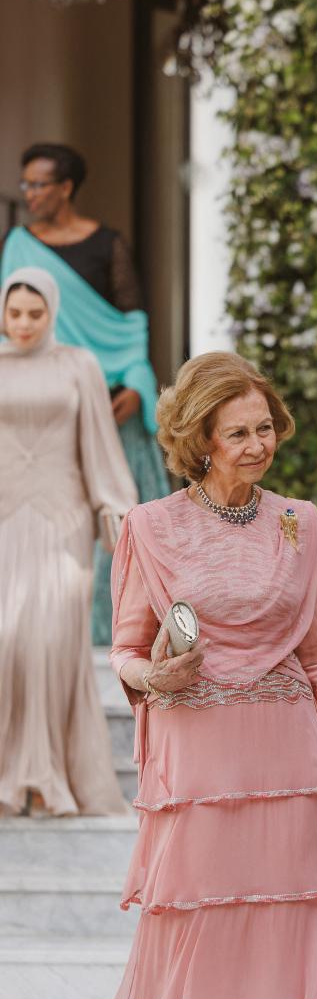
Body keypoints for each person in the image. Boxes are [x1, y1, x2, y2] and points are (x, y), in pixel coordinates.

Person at [109, 350, 317, 999]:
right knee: (210, 940)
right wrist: (156, 676)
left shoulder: (299, 521)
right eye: (238, 433)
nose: (257, 445)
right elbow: (126, 650)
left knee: (281, 940)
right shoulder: (151, 527)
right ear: (200, 440)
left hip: (287, 757)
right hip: (200, 762)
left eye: (265, 429)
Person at [0, 142, 170, 644]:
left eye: (39, 184)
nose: (29, 193)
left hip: (112, 400)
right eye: (25, 183)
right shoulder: (18, 245)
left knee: (119, 525)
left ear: (66, 188)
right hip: (47, 409)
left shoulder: (107, 244)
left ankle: (124, 635)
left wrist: (138, 386)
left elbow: (133, 326)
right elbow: (13, 323)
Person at [0, 266, 136, 817]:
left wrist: (116, 510)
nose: (25, 324)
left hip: (64, 519)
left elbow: (100, 444)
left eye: (36, 313)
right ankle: (14, 776)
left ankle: (51, 776)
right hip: (5, 518)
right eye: (14, 314)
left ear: (52, 312)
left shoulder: (79, 364)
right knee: (8, 641)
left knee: (54, 643)